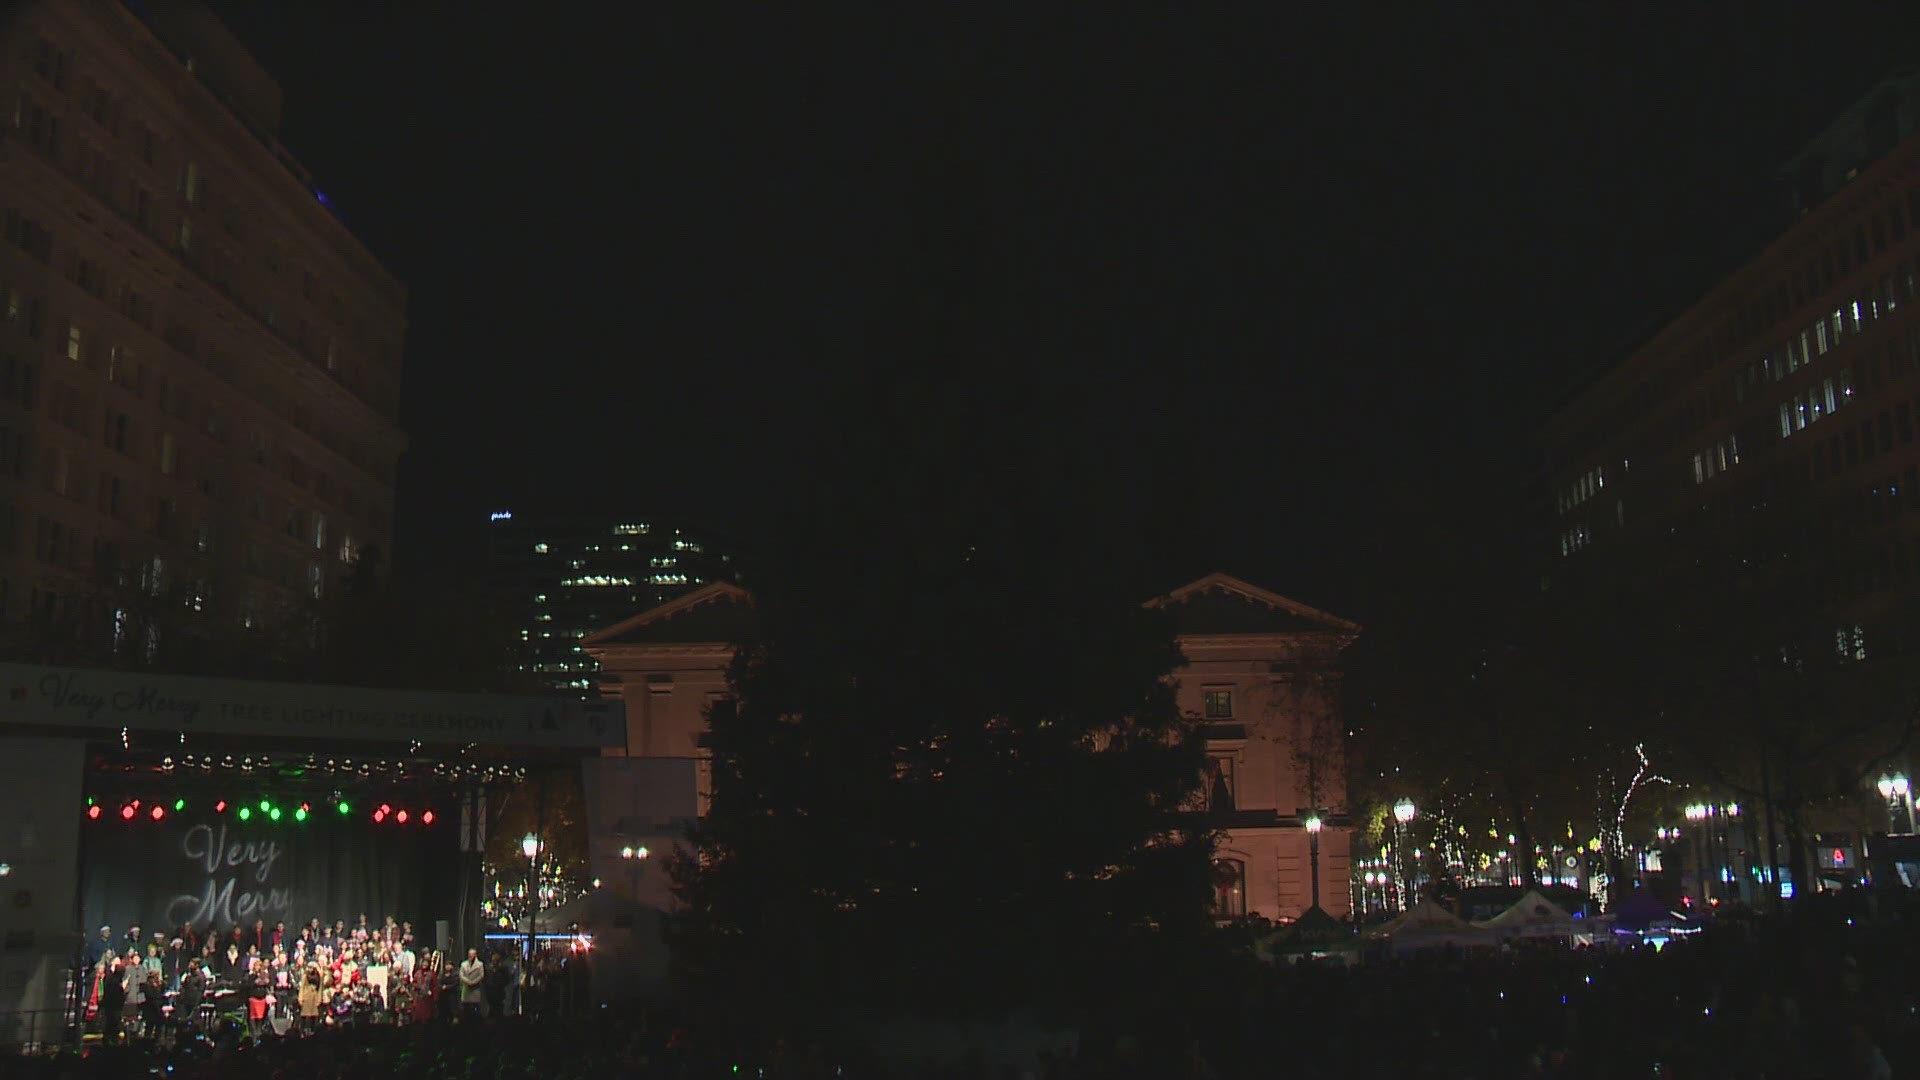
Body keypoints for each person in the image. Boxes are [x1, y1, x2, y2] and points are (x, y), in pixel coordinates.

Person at [97, 955, 126, 1043]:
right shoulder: (114, 982)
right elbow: (115, 995)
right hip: (113, 1007)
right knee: (112, 1027)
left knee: (111, 1027)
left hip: (112, 1007)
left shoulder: (113, 980)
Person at [458, 947, 486, 1021]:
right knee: (465, 1008)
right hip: (466, 988)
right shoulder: (463, 964)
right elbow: (461, 975)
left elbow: (481, 975)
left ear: (476, 955)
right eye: (470, 954)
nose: (471, 955)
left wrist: (473, 982)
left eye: (473, 954)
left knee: (475, 1008)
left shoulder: (480, 964)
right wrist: (468, 981)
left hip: (475, 988)